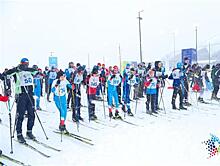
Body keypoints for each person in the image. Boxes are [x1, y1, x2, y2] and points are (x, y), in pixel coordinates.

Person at [4, 58, 38, 143]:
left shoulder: (30, 71)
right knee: (20, 115)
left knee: (31, 114)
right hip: (21, 95)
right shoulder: (17, 71)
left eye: (27, 63)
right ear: (21, 63)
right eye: (24, 63)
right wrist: (16, 68)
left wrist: (26, 68)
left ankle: (29, 131)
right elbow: (6, 74)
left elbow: (36, 71)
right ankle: (19, 134)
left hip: (30, 94)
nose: (26, 64)